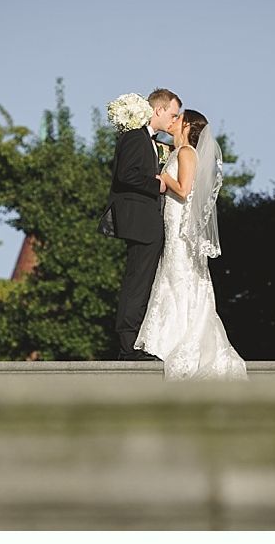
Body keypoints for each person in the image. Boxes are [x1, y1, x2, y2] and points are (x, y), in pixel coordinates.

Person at [135, 110, 248, 381]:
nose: (171, 122)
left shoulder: (186, 153)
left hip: (179, 225)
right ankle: (170, 337)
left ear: (185, 126)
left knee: (179, 276)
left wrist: (161, 179)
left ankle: (178, 339)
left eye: (177, 118)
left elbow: (184, 190)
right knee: (173, 276)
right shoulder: (177, 152)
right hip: (171, 222)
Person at [105, 88, 181, 360]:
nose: (173, 120)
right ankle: (128, 346)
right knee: (136, 282)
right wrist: (157, 184)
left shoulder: (148, 139)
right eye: (172, 114)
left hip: (145, 221)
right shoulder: (136, 137)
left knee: (142, 281)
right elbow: (126, 175)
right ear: (158, 110)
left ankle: (133, 342)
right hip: (140, 222)